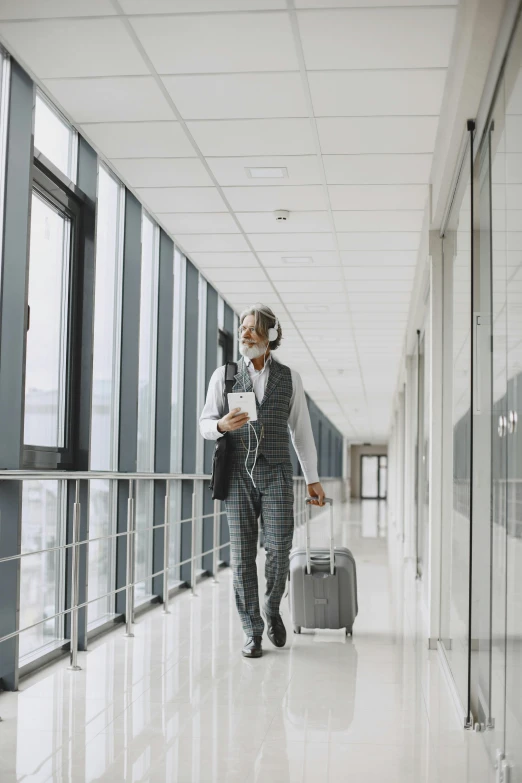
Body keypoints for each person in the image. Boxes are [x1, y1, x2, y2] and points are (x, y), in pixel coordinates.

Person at [199, 303, 325, 658]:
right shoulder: (222, 376)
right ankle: (252, 629)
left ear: (270, 336)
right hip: (237, 473)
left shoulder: (289, 378)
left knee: (280, 550)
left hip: (277, 473)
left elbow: (301, 432)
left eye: (253, 328)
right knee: (241, 557)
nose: (245, 333)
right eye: (242, 327)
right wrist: (221, 426)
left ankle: (272, 608)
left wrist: (312, 479)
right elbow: (205, 423)